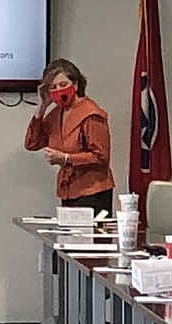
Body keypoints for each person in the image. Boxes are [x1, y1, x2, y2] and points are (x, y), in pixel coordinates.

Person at [24, 59, 115, 215]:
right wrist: (41, 107)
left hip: (93, 190)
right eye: (52, 87)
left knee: (88, 238)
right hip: (68, 190)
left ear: (76, 85)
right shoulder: (57, 113)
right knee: (69, 238)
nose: (59, 90)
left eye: (63, 84)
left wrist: (66, 158)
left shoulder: (91, 113)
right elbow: (32, 143)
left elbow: (101, 156)